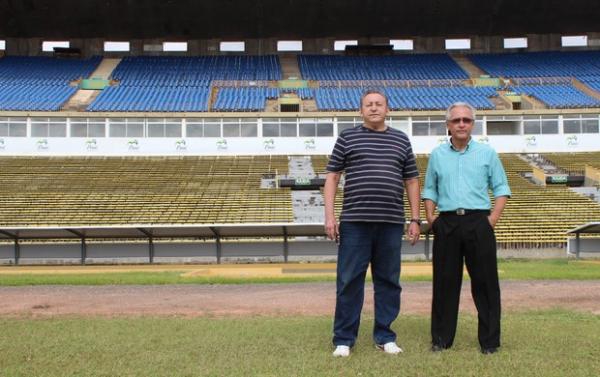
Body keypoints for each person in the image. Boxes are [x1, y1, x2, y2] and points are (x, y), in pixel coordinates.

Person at [324, 89, 421, 357]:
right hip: (355, 222)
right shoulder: (347, 137)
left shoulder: (401, 140)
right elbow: (332, 176)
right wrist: (330, 215)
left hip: (390, 222)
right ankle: (343, 339)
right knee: (348, 281)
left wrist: (415, 218)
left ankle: (385, 336)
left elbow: (411, 181)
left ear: (387, 109)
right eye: (369, 104)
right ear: (361, 110)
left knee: (388, 281)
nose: (374, 108)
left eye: (379, 104)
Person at [422, 102, 511, 355]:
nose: (462, 124)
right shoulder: (437, 154)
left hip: (478, 223)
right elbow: (430, 189)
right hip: (447, 223)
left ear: (473, 124)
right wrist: (431, 218)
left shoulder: (487, 153)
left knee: (486, 284)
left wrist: (491, 219)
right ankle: (441, 339)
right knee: (444, 283)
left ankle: (490, 342)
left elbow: (502, 188)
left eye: (467, 120)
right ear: (448, 125)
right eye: (456, 120)